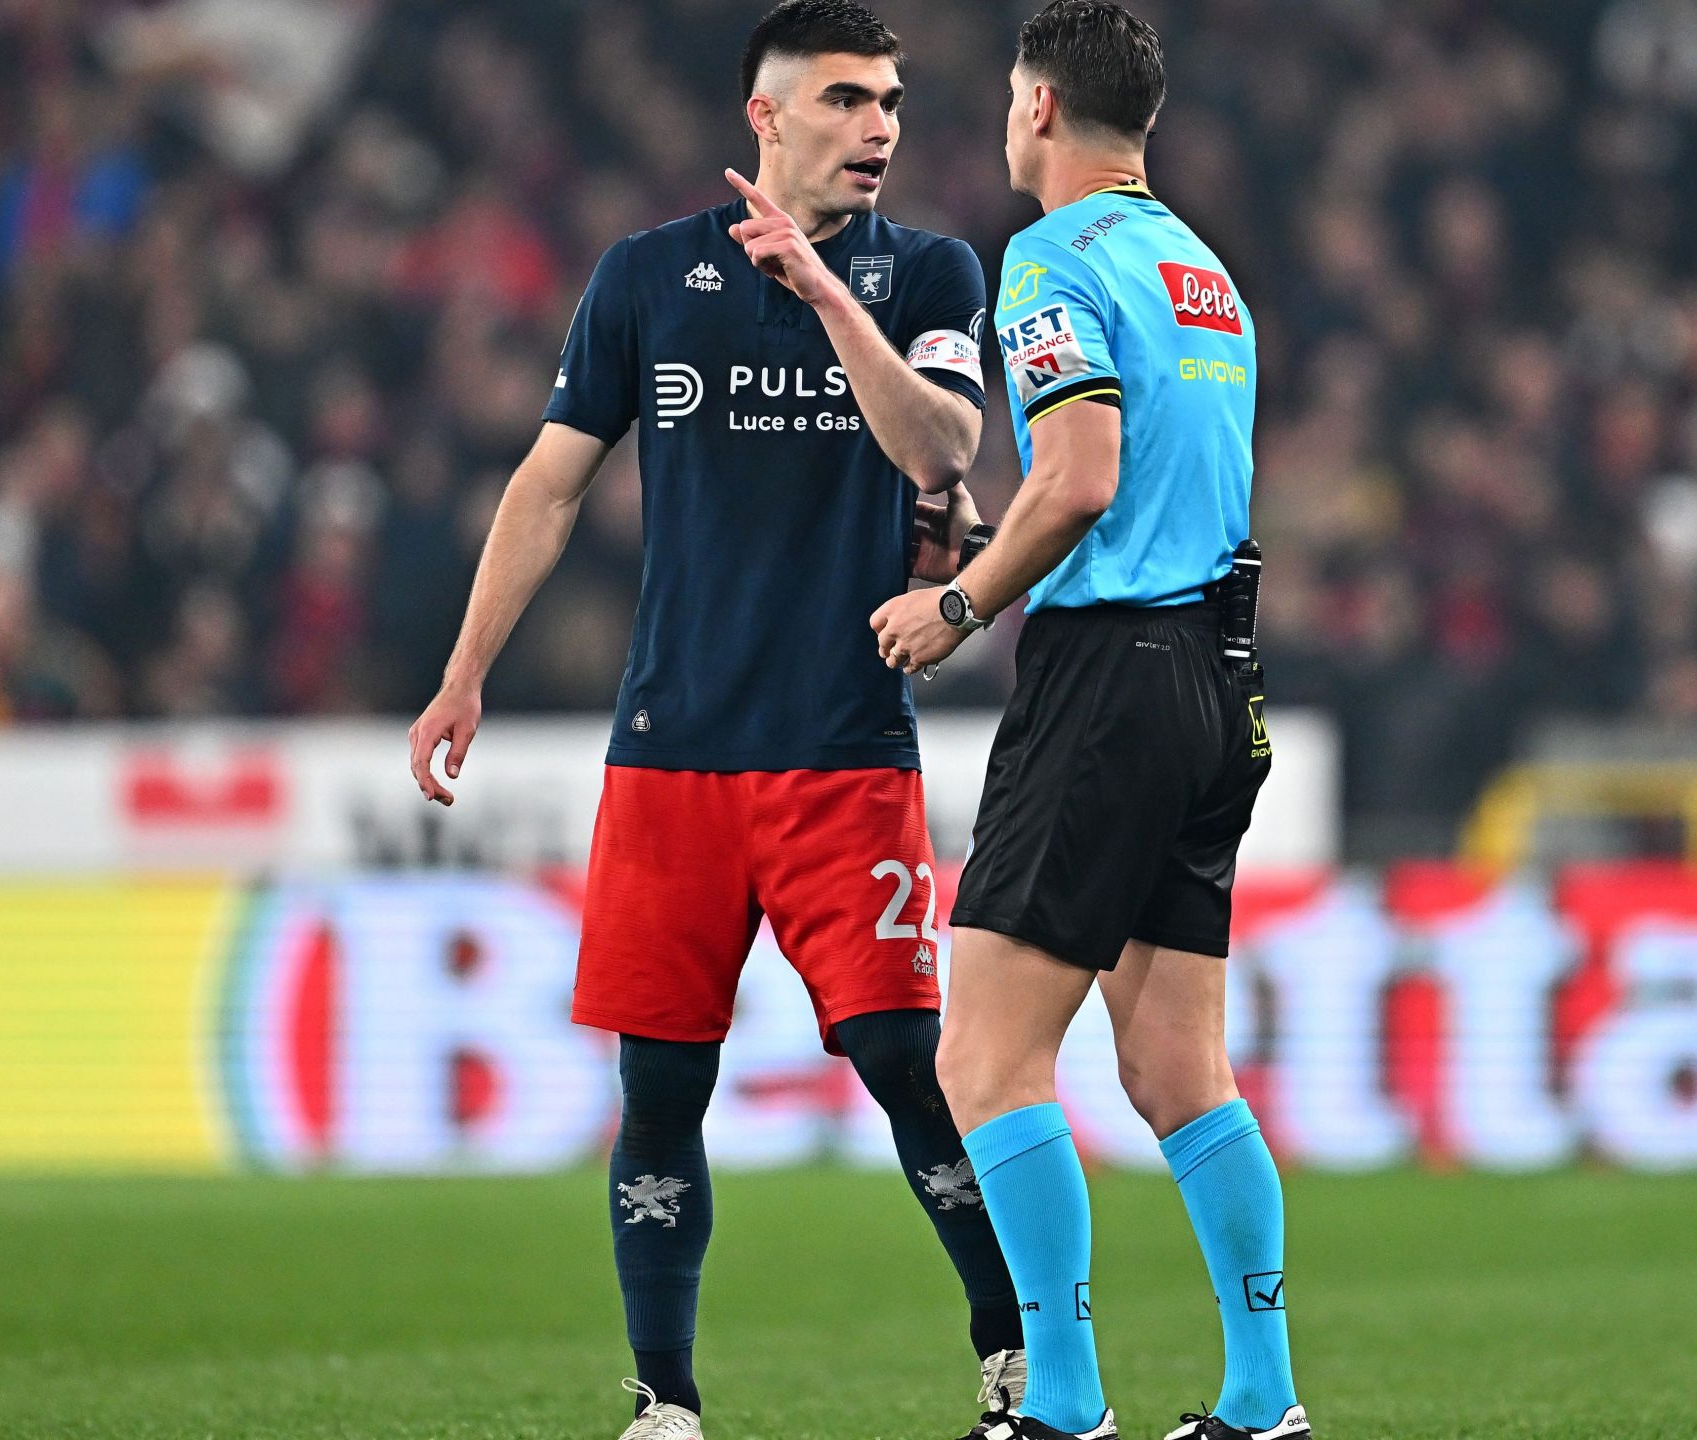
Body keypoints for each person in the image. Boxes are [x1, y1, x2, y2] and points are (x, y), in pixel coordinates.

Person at [405, 5, 1022, 1439]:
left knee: (900, 1066)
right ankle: (666, 1399)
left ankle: (1015, 1356)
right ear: (767, 116)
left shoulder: (929, 268)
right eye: (847, 99)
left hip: (842, 751)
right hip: (669, 755)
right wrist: (463, 669)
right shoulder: (645, 280)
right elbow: (550, 486)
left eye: (892, 101)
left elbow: (941, 446)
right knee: (662, 1083)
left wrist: (821, 293)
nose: (879, 125)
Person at [868, 3, 1307, 1437]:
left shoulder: (1049, 254)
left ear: (1043, 108)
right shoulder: (1204, 272)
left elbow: (1081, 476)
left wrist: (960, 604)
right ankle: (1263, 1402)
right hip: (1220, 678)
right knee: (1178, 1067)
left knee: (983, 1056)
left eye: (1009, 97)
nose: (1004, 122)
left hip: (1109, 678)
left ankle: (1057, 1405)